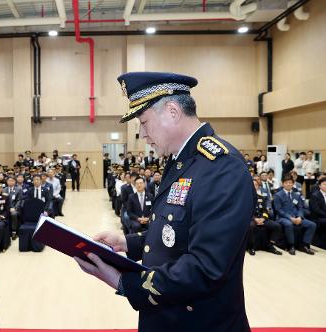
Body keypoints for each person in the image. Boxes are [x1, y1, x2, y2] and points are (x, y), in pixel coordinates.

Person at [74, 72, 254, 332]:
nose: (142, 134)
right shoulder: (181, 161)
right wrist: (127, 243)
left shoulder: (221, 168)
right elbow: (174, 231)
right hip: (165, 315)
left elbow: (205, 268)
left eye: (144, 122)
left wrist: (124, 282)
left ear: (172, 111)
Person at [274, 174, 316, 255]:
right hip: (283, 217)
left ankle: (305, 245)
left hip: (296, 217)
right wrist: (290, 218)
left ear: (293, 184)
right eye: (286, 183)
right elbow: (279, 210)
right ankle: (291, 246)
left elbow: (300, 208)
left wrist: (300, 217)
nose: (288, 184)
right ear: (282, 184)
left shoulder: (297, 194)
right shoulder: (278, 195)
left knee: (312, 225)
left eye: (290, 182)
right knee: (289, 224)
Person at [247, 179, 282, 256]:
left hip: (261, 218)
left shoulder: (261, 197)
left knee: (277, 226)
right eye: (252, 185)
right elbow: (245, 212)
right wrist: (254, 219)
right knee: (251, 226)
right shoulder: (245, 198)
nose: (254, 187)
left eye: (255, 185)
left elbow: (265, 210)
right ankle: (251, 247)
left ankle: (270, 245)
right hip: (251, 219)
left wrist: (263, 218)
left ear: (258, 187)